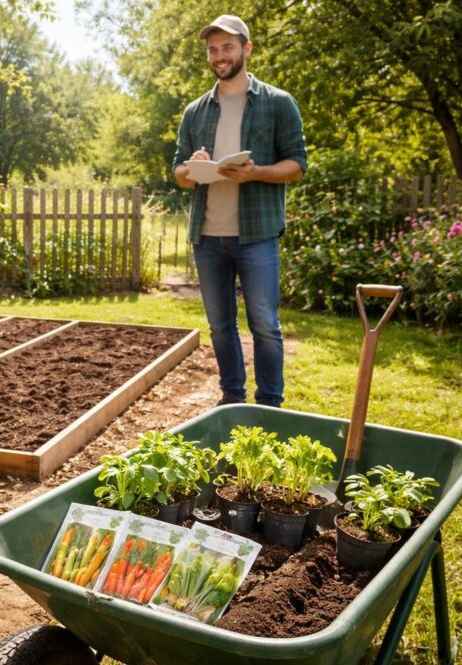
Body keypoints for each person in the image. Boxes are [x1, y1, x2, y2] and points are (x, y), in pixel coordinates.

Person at [172, 14, 307, 408]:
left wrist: (255, 173)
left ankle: (269, 404)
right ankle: (232, 397)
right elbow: (178, 174)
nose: (219, 56)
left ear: (247, 48)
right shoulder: (195, 111)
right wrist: (194, 168)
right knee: (219, 325)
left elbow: (297, 165)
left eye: (227, 47)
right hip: (207, 236)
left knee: (264, 324)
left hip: (256, 234)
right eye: (213, 49)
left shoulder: (278, 103)